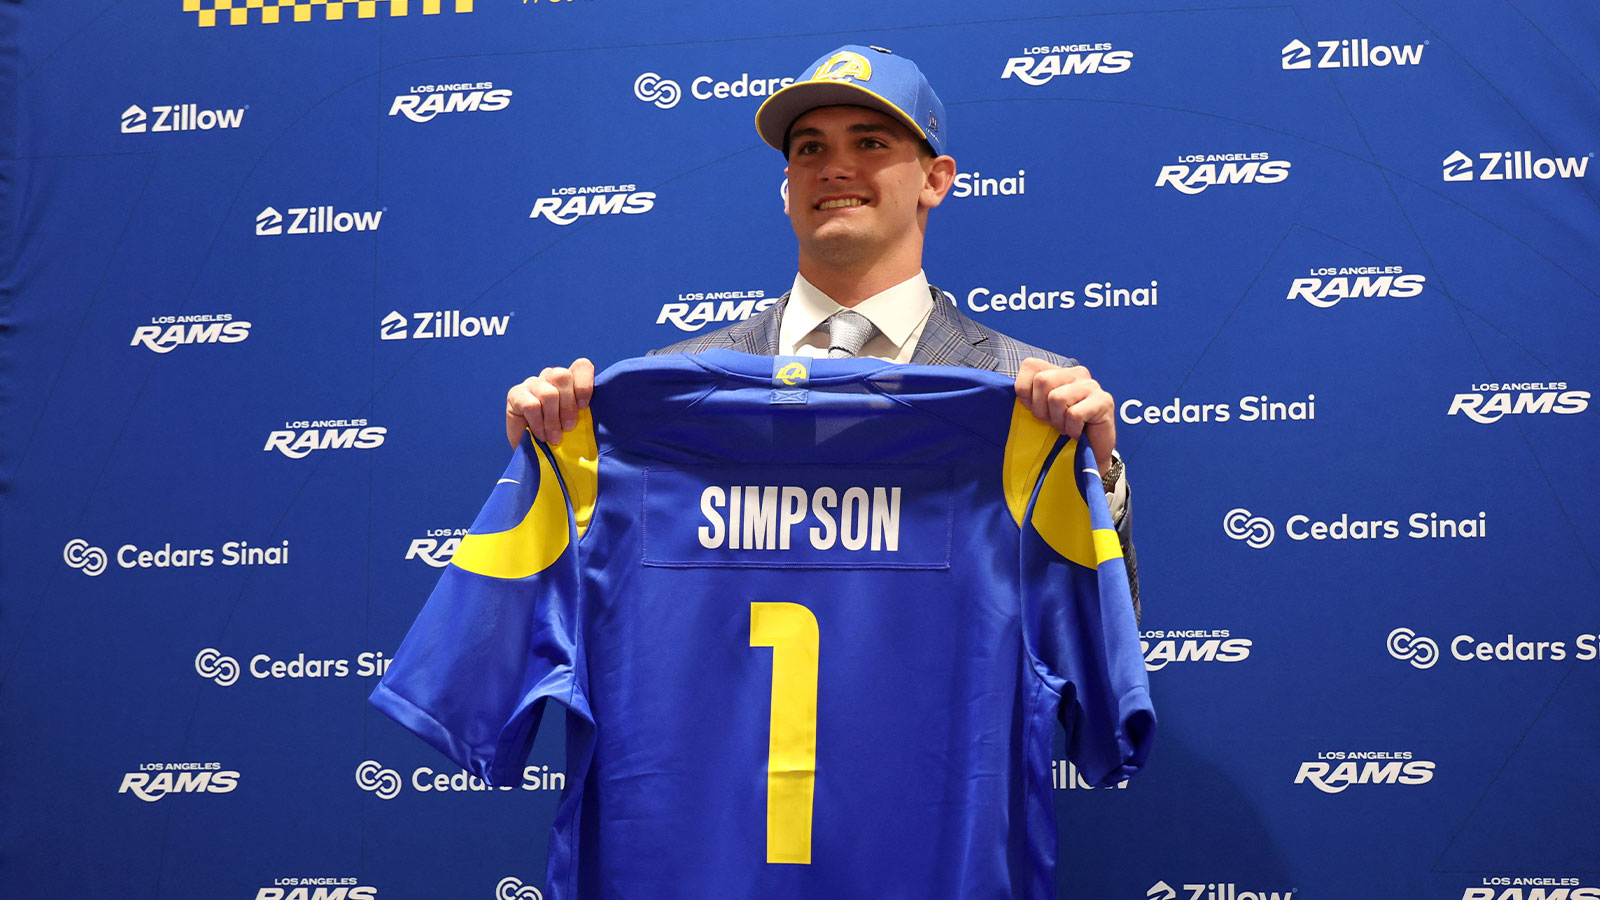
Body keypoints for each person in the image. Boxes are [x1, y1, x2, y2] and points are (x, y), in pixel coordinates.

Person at [503, 44, 1138, 607]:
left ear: (936, 179)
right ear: (788, 186)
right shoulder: (670, 384)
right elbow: (586, 615)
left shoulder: (1028, 390)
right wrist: (551, 474)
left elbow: (1098, 640)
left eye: (870, 143)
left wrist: (1096, 477)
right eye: (810, 149)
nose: (834, 168)